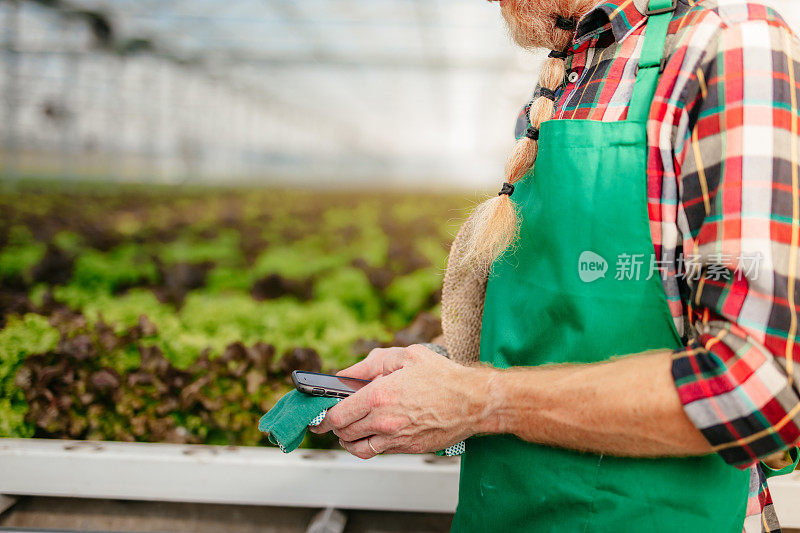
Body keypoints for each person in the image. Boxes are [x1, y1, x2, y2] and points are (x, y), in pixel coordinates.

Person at [310, 0, 800, 530]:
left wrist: (479, 400)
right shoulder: (572, 76)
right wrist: (447, 369)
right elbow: (570, 329)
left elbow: (755, 387)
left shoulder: (728, 47)